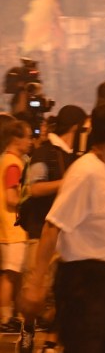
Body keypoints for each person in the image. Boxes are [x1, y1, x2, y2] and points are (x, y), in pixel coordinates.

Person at [21, 103, 105, 353]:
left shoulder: (104, 172)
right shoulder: (86, 173)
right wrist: (35, 284)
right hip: (85, 285)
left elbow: (102, 238)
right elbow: (52, 226)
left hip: (103, 281)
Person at [17, 105, 86, 353]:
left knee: (65, 292)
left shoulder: (78, 157)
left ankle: (51, 341)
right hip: (41, 231)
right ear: (76, 128)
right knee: (34, 293)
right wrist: (68, 182)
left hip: (69, 235)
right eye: (85, 129)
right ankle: (27, 328)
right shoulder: (43, 154)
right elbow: (34, 188)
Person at [0, 120, 32, 331]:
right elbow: (12, 198)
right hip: (13, 227)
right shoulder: (14, 164)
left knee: (12, 274)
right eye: (27, 137)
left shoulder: (4, 159)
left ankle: (14, 315)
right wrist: (32, 193)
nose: (30, 141)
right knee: (11, 275)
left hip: (6, 225)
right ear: (16, 139)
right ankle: (4, 318)